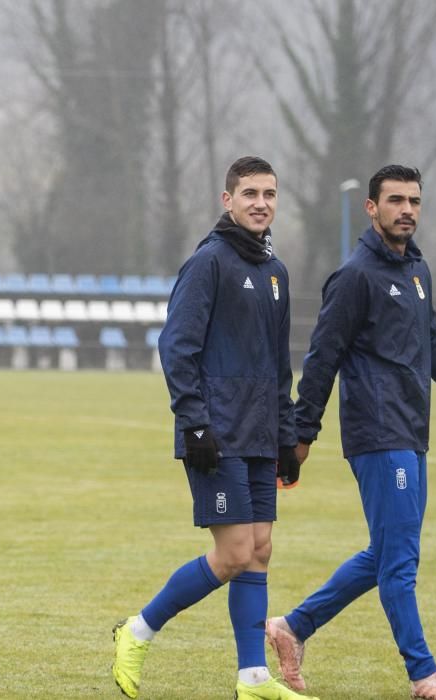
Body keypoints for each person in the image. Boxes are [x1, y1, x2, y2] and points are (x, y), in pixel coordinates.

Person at [265, 165, 436, 700]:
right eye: (395, 201)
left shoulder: (417, 271)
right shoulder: (356, 275)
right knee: (401, 561)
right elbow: (322, 357)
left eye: (413, 201)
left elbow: (434, 342)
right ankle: (424, 675)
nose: (406, 210)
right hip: (379, 435)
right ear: (372, 208)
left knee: (386, 553)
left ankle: (292, 627)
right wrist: (302, 431)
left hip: (413, 431)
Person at [111, 156, 315, 700]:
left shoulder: (276, 273)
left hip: (259, 433)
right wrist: (195, 424)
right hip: (215, 434)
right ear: (228, 200)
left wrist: (286, 435)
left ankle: (252, 679)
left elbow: (278, 364)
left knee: (261, 549)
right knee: (231, 555)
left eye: (269, 194)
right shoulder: (208, 263)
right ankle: (136, 631)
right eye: (249, 193)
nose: (261, 203)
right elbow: (176, 347)